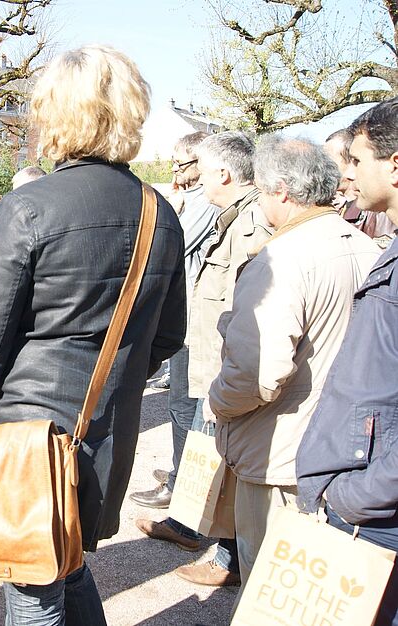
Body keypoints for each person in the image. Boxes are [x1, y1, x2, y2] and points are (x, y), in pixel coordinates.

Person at [0, 45, 186, 625]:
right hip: (102, 430)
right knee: (66, 564)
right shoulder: (160, 211)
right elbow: (168, 337)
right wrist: (111, 384)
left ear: (55, 114)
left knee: (34, 589)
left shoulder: (28, 207)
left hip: (26, 438)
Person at [205, 136, 380, 596]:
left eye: (261, 191)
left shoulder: (281, 259)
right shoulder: (368, 249)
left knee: (272, 595)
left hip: (280, 455)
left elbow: (257, 373)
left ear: (282, 191)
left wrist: (217, 403)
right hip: (342, 452)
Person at [138, 131, 272, 587]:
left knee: (228, 452)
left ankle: (228, 557)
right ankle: (205, 534)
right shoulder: (231, 214)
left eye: (198, 167)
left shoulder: (255, 219)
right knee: (209, 443)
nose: (191, 178)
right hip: (213, 352)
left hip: (230, 359)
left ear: (222, 172)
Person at [297, 98, 398, 626]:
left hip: (377, 513)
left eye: (356, 160)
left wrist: (357, 496)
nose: (346, 174)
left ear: (395, 163)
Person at [130, 131, 218, 510]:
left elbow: (170, 243)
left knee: (187, 406)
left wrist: (173, 209)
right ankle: (181, 473)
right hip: (190, 314)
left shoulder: (203, 203)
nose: (176, 170)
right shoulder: (195, 198)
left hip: (198, 321)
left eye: (181, 163)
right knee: (181, 404)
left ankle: (185, 489)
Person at [325, 128, 396, 247]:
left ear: (352, 161)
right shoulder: (337, 208)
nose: (322, 169)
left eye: (328, 162)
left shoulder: (379, 210)